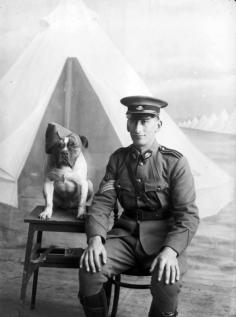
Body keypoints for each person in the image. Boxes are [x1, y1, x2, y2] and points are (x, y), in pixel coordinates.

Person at [78, 96, 199, 317]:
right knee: (90, 268)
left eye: (145, 121)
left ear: (158, 125)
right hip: (125, 236)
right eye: (132, 120)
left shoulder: (175, 162)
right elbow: (103, 203)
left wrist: (171, 252)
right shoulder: (118, 159)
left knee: (167, 279)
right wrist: (95, 240)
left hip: (164, 239)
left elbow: (188, 215)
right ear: (127, 123)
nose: (137, 127)